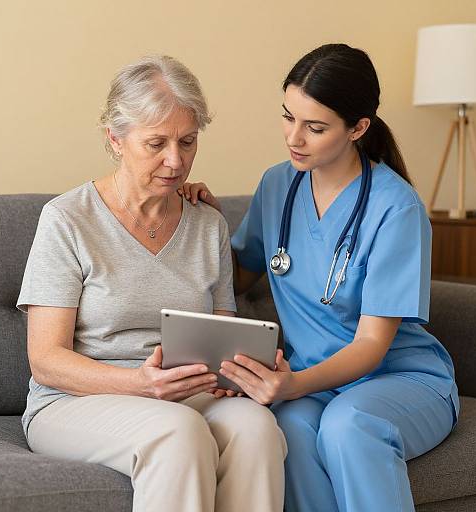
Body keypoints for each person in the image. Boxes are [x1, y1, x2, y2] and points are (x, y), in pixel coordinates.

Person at [180, 44, 459, 512]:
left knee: (350, 426)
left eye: (315, 127)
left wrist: (293, 385)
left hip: (399, 378)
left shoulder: (397, 209)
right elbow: (237, 276)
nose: (295, 138)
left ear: (358, 128)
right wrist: (199, 221)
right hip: (313, 380)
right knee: (285, 429)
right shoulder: (277, 186)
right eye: (288, 117)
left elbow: (371, 346)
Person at [17, 55, 286, 512]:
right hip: (79, 399)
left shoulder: (208, 224)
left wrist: (240, 371)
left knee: (257, 429)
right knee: (178, 433)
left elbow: (225, 334)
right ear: (116, 139)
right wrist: (140, 385)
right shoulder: (67, 219)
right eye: (156, 143)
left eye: (187, 141)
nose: (175, 160)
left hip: (187, 392)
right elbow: (46, 362)